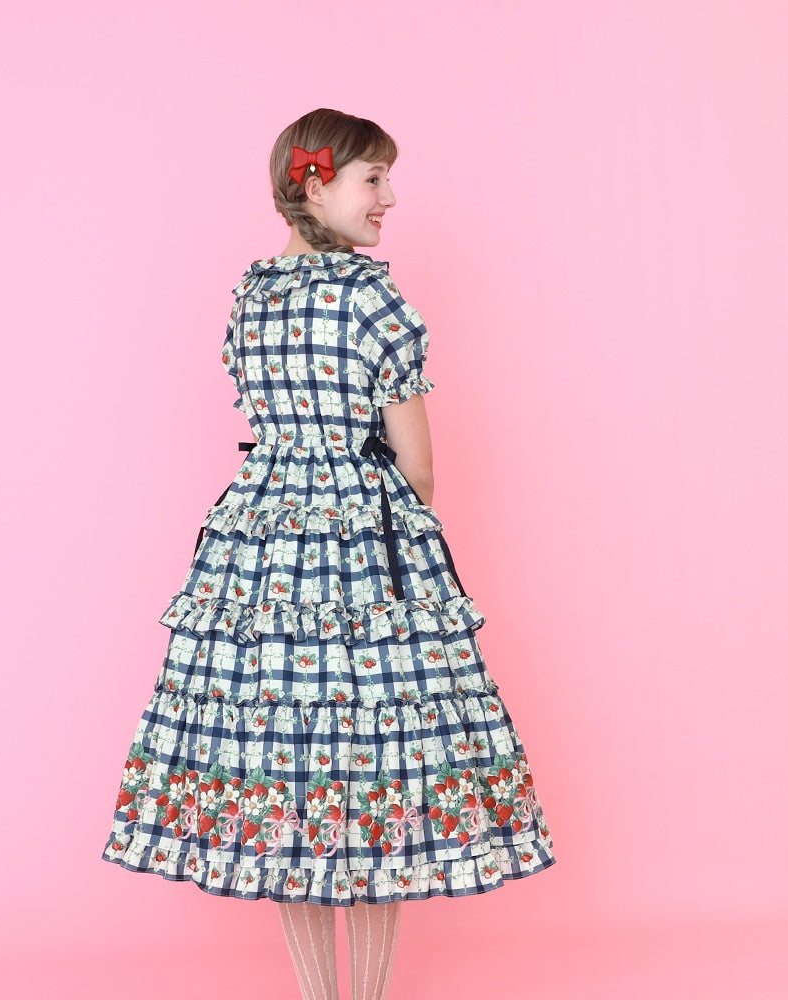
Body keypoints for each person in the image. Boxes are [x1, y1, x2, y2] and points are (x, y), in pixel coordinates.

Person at [102, 108, 555, 1000]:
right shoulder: (374, 299)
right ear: (315, 183)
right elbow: (419, 470)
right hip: (365, 556)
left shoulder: (251, 297)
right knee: (376, 771)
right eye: (373, 178)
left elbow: (264, 415)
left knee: (288, 774)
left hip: (261, 551)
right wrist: (390, 535)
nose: (390, 198)